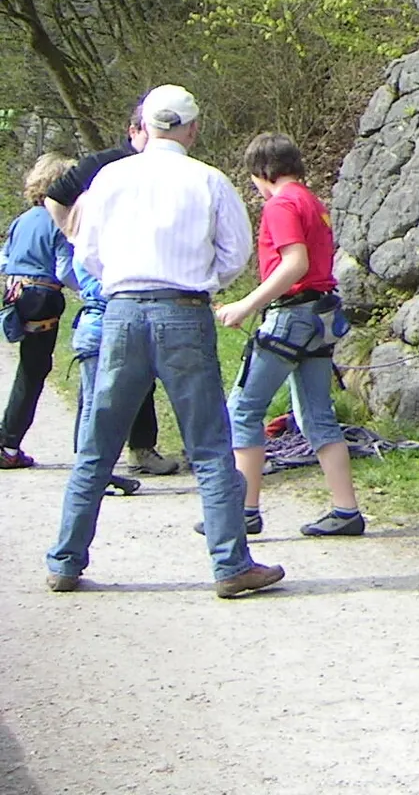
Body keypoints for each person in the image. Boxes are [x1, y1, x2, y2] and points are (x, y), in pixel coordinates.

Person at [47, 84, 284, 597]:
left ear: (146, 126)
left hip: (123, 311)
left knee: (98, 442)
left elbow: (85, 250)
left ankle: (65, 559)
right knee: (209, 443)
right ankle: (230, 564)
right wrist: (201, 280)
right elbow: (236, 251)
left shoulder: (109, 178)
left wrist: (122, 279)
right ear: (193, 129)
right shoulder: (208, 179)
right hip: (183, 310)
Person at [213, 133, 364, 538]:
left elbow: (294, 264)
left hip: (291, 317)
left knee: (243, 409)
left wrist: (245, 305)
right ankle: (346, 510)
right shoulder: (313, 202)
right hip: (322, 317)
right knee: (316, 415)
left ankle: (244, 511)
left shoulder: (280, 204)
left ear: (263, 173)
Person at [45, 103, 178, 477]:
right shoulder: (105, 166)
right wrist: (75, 236)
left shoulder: (166, 166)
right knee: (98, 392)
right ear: (134, 129)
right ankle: (91, 466)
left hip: (134, 291)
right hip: (109, 298)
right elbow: (55, 198)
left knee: (133, 381)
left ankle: (133, 451)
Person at [0, 154, 78, 468]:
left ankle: (8, 439)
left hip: (15, 293)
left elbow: (5, 258)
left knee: (29, 368)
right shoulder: (58, 222)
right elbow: (65, 270)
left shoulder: (22, 219)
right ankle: (8, 444)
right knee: (33, 372)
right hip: (42, 297)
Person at [54, 240, 141, 495]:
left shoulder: (82, 249)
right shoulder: (104, 250)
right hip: (103, 325)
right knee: (97, 404)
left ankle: (93, 471)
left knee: (93, 402)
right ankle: (91, 474)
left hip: (90, 325)